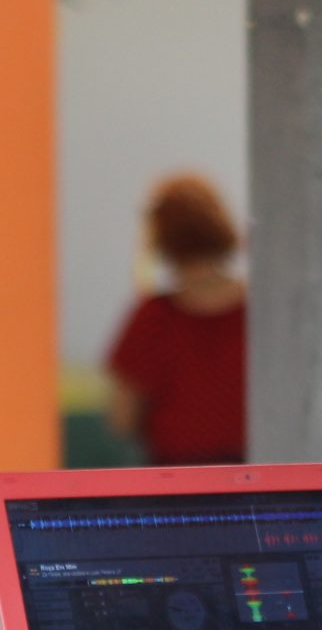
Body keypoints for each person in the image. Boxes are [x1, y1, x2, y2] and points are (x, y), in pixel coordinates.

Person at [104, 173, 247, 464]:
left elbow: (122, 418)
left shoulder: (154, 318)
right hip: (256, 473)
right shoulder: (263, 312)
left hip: (175, 477)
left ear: (159, 237)